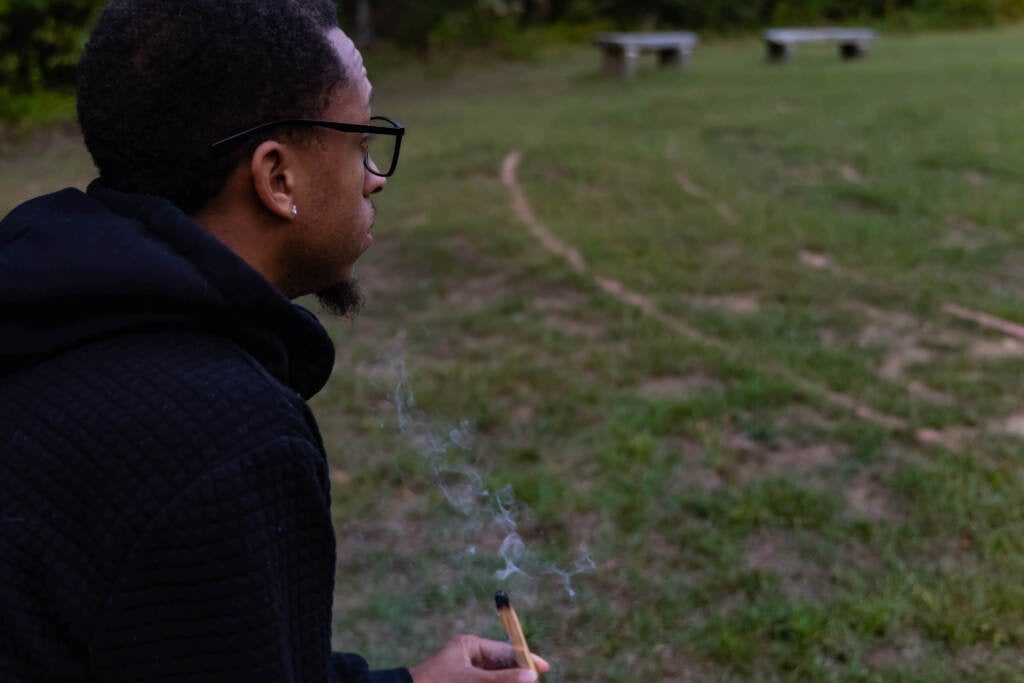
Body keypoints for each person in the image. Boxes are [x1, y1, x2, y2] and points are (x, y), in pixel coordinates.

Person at [0, 1, 550, 682]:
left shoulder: (43, 312)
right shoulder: (229, 437)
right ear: (278, 177)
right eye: (360, 144)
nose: (375, 176)